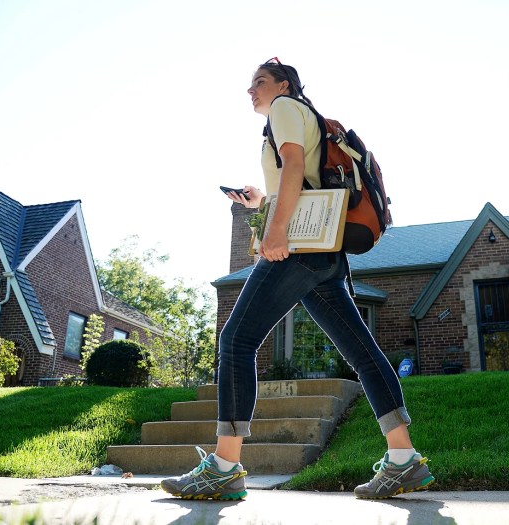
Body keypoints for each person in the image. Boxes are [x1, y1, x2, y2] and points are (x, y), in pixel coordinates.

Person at [161, 58, 434, 501]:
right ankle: (404, 459)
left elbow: (292, 166)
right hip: (325, 253)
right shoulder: (295, 116)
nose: (251, 91)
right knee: (362, 353)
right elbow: (298, 177)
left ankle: (224, 467)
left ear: (283, 85)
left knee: (236, 340)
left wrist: (275, 230)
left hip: (298, 247)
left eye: (259, 83)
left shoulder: (285, 108)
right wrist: (259, 201)